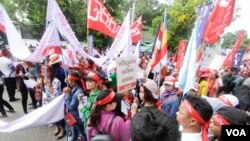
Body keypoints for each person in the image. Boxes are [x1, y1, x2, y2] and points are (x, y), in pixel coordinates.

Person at [64, 72, 86, 141]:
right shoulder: (74, 88)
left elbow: (71, 106)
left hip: (77, 118)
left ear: (73, 81)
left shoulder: (79, 91)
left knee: (84, 135)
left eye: (69, 81)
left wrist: (67, 95)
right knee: (75, 133)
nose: (69, 83)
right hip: (74, 117)